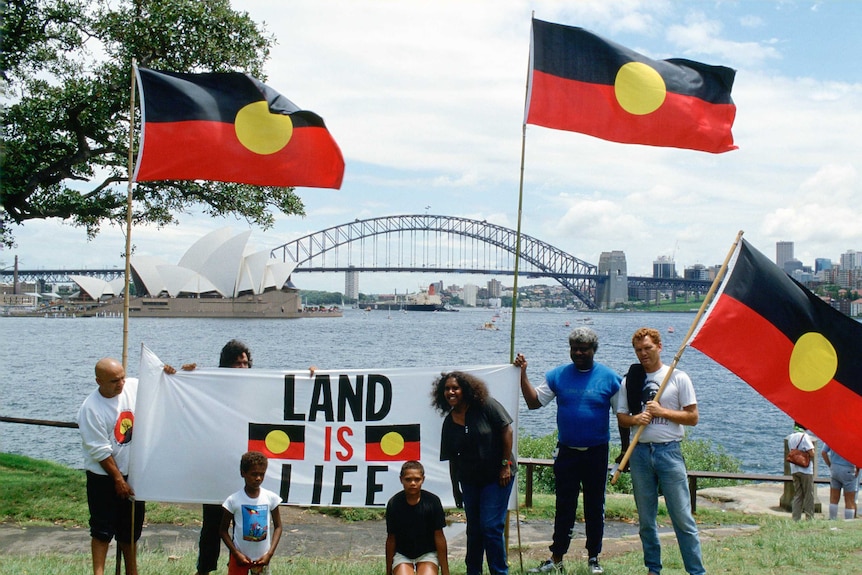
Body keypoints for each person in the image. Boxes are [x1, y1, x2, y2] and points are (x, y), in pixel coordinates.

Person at [514, 326, 621, 575]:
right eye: (574, 348)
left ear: (594, 350)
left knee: (595, 506)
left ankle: (594, 558)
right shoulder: (558, 375)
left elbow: (622, 416)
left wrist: (625, 449)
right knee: (564, 506)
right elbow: (533, 402)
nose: (579, 353)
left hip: (596, 451)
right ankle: (556, 558)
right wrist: (523, 374)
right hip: (567, 452)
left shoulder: (610, 378)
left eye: (584, 349)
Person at [616, 328, 705, 575]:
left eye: (648, 348)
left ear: (659, 347)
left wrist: (662, 412)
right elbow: (622, 418)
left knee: (682, 518)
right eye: (639, 350)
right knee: (646, 520)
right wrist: (636, 419)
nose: (643, 354)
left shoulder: (678, 377)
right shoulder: (630, 381)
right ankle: (653, 569)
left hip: (669, 452)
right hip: (641, 453)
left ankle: (696, 571)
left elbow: (692, 417)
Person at [432, 371, 515, 575]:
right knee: (474, 530)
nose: (451, 392)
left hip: (498, 477)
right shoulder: (449, 423)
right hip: (470, 481)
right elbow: (453, 459)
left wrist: (505, 465)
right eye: (447, 389)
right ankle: (473, 571)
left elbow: (507, 431)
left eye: (455, 388)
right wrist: (455, 489)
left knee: (490, 526)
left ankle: (499, 571)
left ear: (465, 390)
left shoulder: (486, 405)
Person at [77, 357, 145, 575]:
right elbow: (99, 450)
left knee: (131, 530)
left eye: (123, 378)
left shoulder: (132, 387)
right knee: (101, 530)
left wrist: (177, 370)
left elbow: (160, 381)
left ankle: (131, 571)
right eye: (115, 380)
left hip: (132, 473)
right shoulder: (90, 409)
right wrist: (117, 479)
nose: (121, 384)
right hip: (103, 477)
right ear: (99, 381)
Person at [219, 451, 283, 575]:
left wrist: (269, 554)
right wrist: (236, 553)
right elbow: (222, 530)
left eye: (262, 474)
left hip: (262, 559)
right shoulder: (233, 500)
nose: (258, 478)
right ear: (243, 473)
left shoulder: (271, 498)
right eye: (254, 474)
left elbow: (278, 527)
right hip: (239, 558)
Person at [385, 460, 451, 575]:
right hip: (403, 554)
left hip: (427, 554)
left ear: (423, 479)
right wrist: (388, 570)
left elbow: (439, 536)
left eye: (417, 479)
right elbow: (391, 539)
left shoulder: (433, 502)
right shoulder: (394, 503)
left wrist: (445, 570)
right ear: (401, 480)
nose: (413, 483)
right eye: (408, 479)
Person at [785, 423, 816, 521]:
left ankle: (796, 518)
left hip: (794, 468)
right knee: (808, 494)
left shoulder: (791, 437)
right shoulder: (804, 437)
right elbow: (812, 453)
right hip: (805, 470)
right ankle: (809, 517)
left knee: (798, 494)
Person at [821, 443, 859, 520]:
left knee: (834, 498)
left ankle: (832, 519)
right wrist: (858, 469)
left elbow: (823, 452)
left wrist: (830, 465)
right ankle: (849, 522)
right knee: (849, 500)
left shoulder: (833, 437)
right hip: (848, 469)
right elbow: (858, 455)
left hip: (835, 468)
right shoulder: (853, 439)